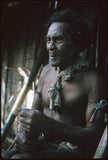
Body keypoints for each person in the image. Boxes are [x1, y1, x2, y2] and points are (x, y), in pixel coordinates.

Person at [2, 8, 107, 159]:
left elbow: (94, 136)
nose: (51, 46)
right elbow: (33, 115)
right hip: (43, 143)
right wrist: (23, 136)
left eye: (58, 39)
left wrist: (49, 125)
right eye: (48, 40)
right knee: (5, 156)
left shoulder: (93, 79)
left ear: (77, 44)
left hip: (74, 149)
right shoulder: (46, 71)